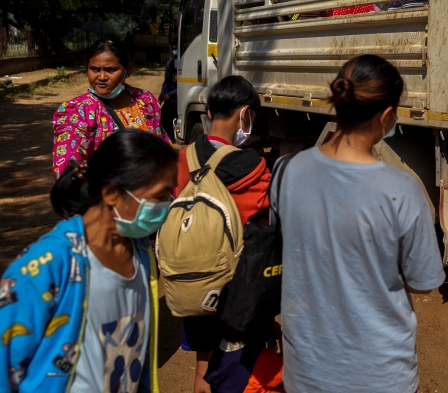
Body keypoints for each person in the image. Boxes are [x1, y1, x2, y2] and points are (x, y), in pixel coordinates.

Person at [275, 54, 444, 392]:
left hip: (305, 370)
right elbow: (423, 282)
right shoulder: (402, 190)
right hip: (378, 373)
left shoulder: (287, 170)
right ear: (385, 116)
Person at [1, 129, 177, 393]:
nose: (168, 205)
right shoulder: (46, 266)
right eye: (160, 196)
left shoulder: (140, 251)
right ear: (112, 194)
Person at [172, 76, 275, 393]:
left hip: (192, 279)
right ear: (245, 113)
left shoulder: (183, 157)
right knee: (241, 367)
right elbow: (261, 225)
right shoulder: (255, 167)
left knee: (204, 366)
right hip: (236, 287)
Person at [53, 39, 170, 178]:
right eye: (95, 69)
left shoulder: (145, 101)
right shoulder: (78, 111)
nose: (102, 77)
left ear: (128, 70)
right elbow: (68, 165)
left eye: (111, 70)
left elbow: (163, 148)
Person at [159, 42, 178, 142]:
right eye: (173, 48)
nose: (175, 50)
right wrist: (162, 95)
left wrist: (169, 95)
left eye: (176, 48)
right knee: (163, 116)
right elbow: (167, 81)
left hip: (178, 97)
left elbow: (184, 86)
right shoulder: (170, 63)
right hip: (170, 98)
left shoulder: (186, 63)